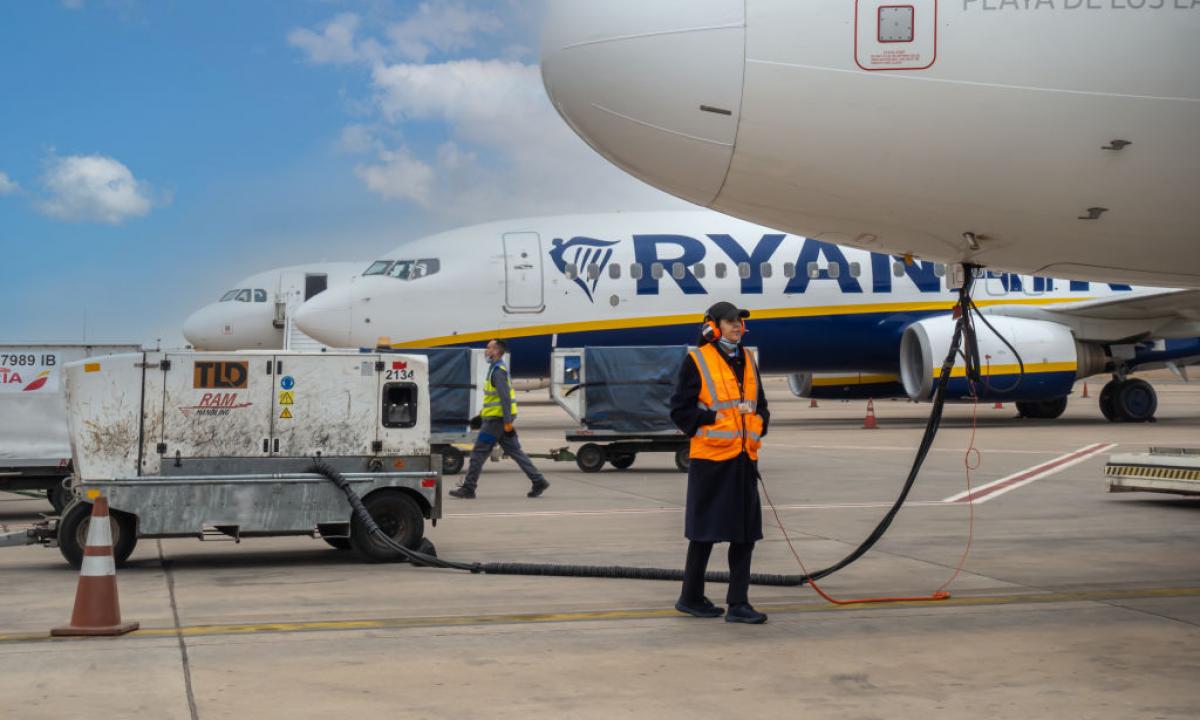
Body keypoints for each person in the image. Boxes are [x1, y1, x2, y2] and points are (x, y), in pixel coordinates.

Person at [669, 301, 770, 624]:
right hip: (711, 459)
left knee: (745, 534)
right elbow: (680, 411)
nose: (737, 326)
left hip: (743, 459)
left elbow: (761, 407)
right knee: (704, 533)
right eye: (730, 322)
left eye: (739, 321)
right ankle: (691, 597)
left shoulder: (748, 359)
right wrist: (715, 421)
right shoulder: (697, 360)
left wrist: (756, 427)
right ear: (713, 327)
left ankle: (738, 603)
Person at [449, 339, 550, 499]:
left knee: (478, 454)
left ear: (496, 351)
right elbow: (493, 398)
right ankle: (539, 481)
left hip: (496, 421)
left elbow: (505, 399)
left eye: (488, 347)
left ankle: (469, 488)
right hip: (495, 419)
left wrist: (508, 422)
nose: (485, 350)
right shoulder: (495, 369)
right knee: (515, 452)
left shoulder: (498, 371)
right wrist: (482, 415)